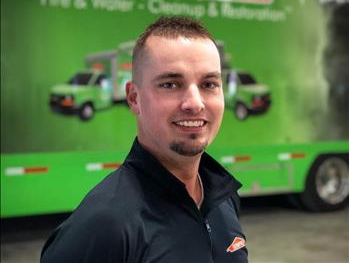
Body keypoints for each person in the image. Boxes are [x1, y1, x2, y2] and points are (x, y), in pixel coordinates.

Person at [41, 16, 248, 263]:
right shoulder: (104, 226)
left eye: (209, 84)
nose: (194, 103)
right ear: (134, 98)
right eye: (170, 84)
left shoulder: (223, 199)